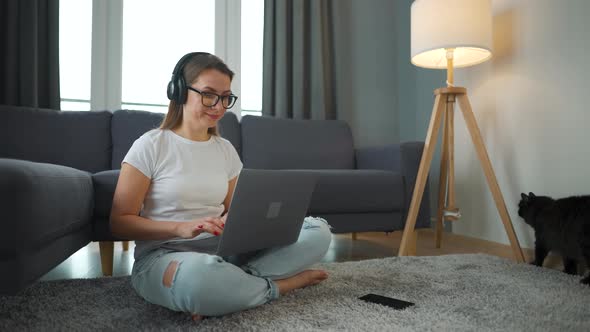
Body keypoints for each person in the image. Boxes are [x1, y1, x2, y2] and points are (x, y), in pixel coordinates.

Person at [110, 52, 332, 319]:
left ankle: (229, 288)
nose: (218, 106)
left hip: (225, 253)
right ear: (179, 91)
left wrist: (243, 223)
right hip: (164, 256)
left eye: (226, 97)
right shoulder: (150, 146)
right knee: (198, 279)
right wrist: (181, 228)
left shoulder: (224, 150)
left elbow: (237, 210)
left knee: (318, 231)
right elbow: (119, 222)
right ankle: (276, 286)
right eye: (208, 94)